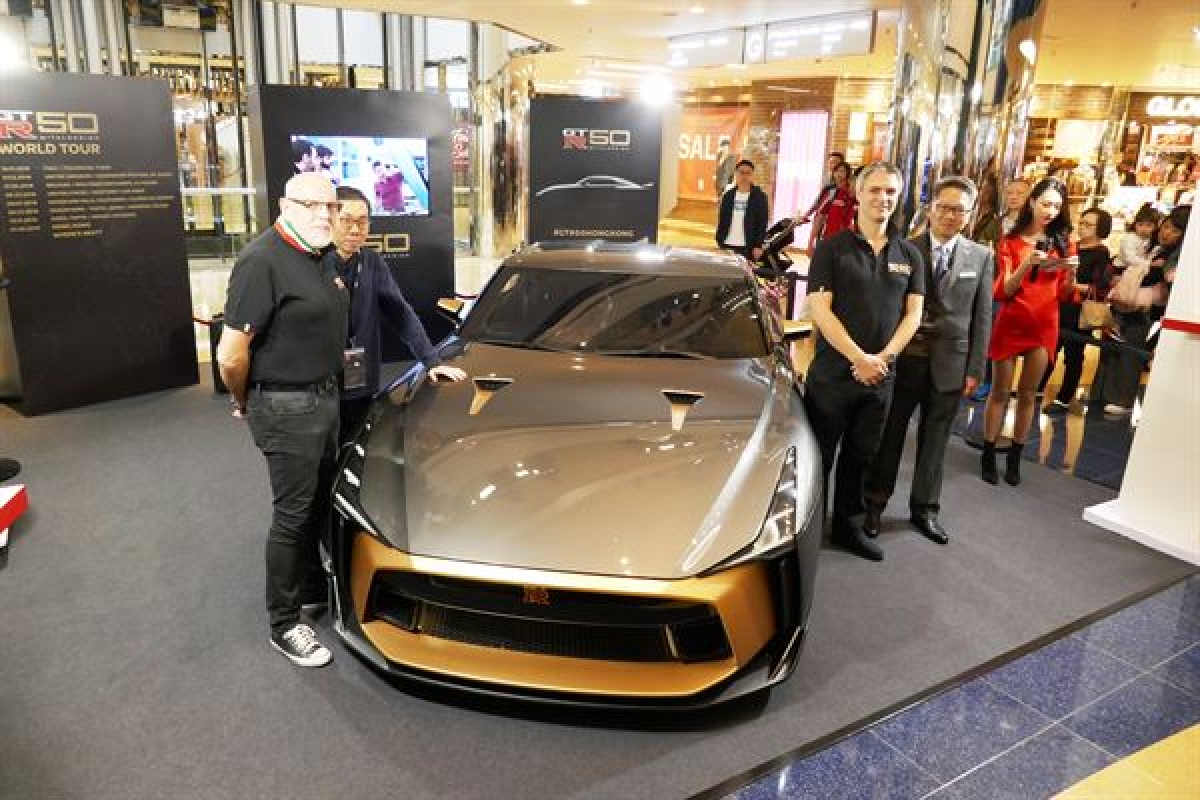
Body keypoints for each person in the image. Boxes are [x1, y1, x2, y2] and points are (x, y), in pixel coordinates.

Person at [217, 172, 347, 668]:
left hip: (324, 400)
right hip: (285, 407)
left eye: (330, 206)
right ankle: (284, 623)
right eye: (312, 205)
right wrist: (245, 401)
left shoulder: (320, 255)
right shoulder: (261, 260)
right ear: (285, 205)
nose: (324, 214)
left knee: (318, 504)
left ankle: (312, 588)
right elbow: (231, 355)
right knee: (293, 515)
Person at [804, 162, 925, 561]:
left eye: (890, 191)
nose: (882, 198)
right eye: (874, 190)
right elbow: (820, 309)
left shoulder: (909, 254)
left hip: (879, 379)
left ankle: (848, 529)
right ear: (858, 194)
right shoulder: (832, 248)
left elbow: (913, 315)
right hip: (832, 377)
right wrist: (859, 357)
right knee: (819, 456)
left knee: (861, 457)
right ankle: (807, 530)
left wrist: (882, 359)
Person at [864, 176, 993, 545]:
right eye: (944, 208)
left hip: (951, 362)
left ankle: (925, 510)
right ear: (931, 209)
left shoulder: (982, 256)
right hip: (906, 359)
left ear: (970, 215)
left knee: (936, 441)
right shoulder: (905, 249)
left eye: (959, 210)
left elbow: (983, 316)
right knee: (890, 436)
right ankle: (874, 504)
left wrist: (975, 368)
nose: (951, 216)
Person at [327, 186, 466, 443]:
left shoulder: (371, 262)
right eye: (346, 220)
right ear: (329, 220)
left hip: (361, 378)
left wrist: (432, 361)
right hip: (321, 386)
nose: (355, 229)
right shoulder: (313, 264)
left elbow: (401, 313)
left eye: (362, 221)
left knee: (356, 446)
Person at [980, 177, 1077, 486]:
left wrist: (1070, 272)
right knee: (999, 391)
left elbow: (1066, 294)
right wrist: (1028, 263)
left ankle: (1015, 457)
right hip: (1012, 321)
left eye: (1057, 206)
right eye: (1046, 203)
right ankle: (988, 451)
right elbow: (1004, 291)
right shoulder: (1010, 241)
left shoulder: (1064, 242)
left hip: (1044, 324)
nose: (1051, 211)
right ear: (1032, 202)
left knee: (1028, 395)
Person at [1095, 205, 1190, 417]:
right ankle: (1102, 393)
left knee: (1129, 353)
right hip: (1124, 302)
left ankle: (1122, 399)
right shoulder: (1152, 247)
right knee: (1112, 349)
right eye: (1165, 226)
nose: (1167, 233)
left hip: (1143, 310)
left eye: (1175, 230)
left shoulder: (1174, 257)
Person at [1044, 207, 1112, 414]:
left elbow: (1099, 286)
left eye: (1088, 224)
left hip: (1079, 309)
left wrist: (1073, 284)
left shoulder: (1101, 253)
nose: (1082, 227)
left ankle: (1065, 397)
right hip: (1058, 304)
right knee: (1049, 349)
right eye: (1081, 223)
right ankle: (1038, 387)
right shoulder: (1072, 246)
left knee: (1073, 354)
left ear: (1100, 228)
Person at [715, 159, 769, 262]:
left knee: (744, 272)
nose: (744, 176)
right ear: (736, 174)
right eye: (741, 172)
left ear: (752, 175)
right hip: (726, 244)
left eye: (748, 173)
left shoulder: (760, 197)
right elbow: (722, 219)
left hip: (747, 247)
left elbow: (762, 223)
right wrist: (719, 239)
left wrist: (758, 245)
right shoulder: (728, 196)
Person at [806, 162, 856, 248]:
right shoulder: (831, 192)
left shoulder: (853, 194)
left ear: (848, 174)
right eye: (837, 171)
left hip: (846, 238)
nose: (839, 174)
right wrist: (811, 241)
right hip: (828, 236)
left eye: (842, 171)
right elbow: (820, 214)